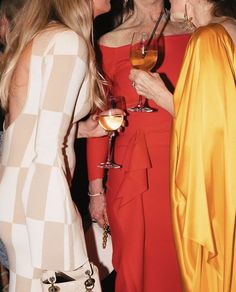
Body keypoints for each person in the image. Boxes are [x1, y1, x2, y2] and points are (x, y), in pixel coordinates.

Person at [0, 0, 113, 291]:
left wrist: (78, 130)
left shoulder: (48, 36)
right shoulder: (67, 43)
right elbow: (47, 147)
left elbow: (28, 125)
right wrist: (65, 213)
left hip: (20, 191)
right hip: (41, 196)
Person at [129, 0, 236, 291]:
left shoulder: (209, 38)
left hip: (219, 198)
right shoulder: (229, 31)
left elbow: (214, 132)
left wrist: (161, 96)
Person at [86, 0, 192, 291]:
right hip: (131, 171)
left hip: (183, 165)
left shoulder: (193, 33)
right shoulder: (108, 42)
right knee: (134, 264)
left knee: (182, 263)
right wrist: (96, 190)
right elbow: (101, 116)